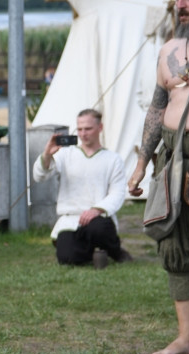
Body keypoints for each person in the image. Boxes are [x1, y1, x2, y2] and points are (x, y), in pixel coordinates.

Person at [128, 0, 189, 354]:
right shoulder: (168, 50)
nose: (179, 4)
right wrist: (141, 163)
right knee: (176, 248)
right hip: (173, 158)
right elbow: (158, 107)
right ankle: (187, 339)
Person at [33, 109, 133, 268]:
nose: (83, 133)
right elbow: (40, 176)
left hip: (99, 219)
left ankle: (115, 251)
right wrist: (46, 155)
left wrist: (96, 210)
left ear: (100, 128)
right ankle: (96, 252)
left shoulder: (113, 159)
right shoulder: (65, 154)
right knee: (66, 258)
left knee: (99, 228)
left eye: (88, 129)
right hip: (71, 219)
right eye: (79, 129)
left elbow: (118, 193)